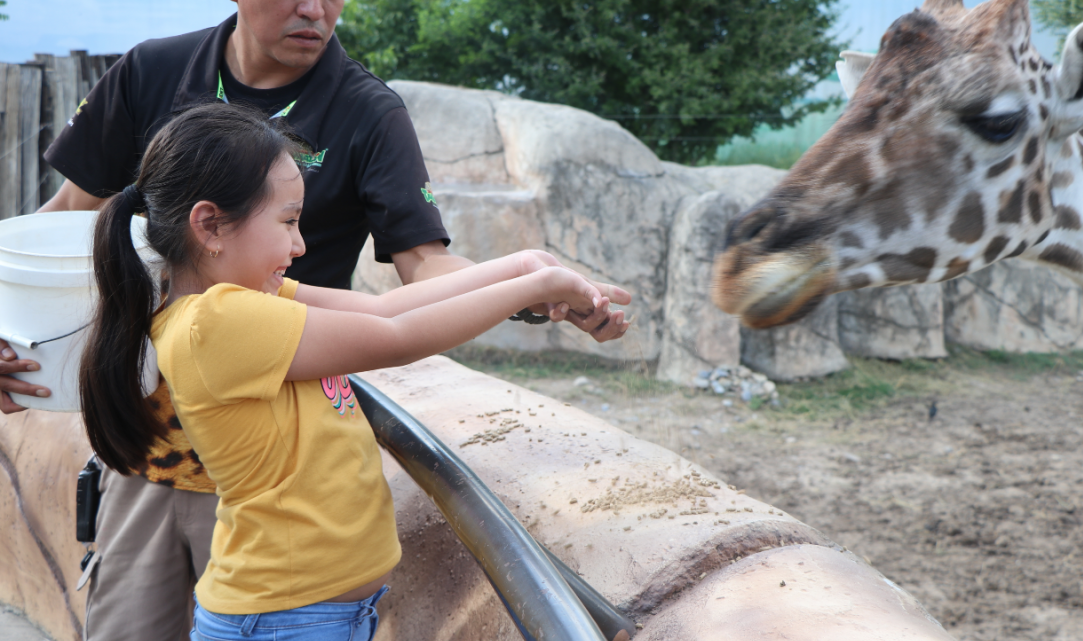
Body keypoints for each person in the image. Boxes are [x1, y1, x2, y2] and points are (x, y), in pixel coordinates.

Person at [0, 1, 630, 639]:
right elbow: (61, 228)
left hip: (275, 458)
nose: (315, 8)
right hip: (153, 458)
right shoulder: (150, 76)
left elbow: (409, 284)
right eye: (286, 222)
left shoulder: (365, 112)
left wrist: (529, 278)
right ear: (209, 225)